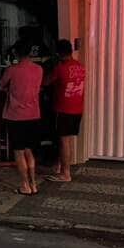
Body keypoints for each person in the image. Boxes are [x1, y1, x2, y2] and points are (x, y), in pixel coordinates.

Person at [0, 39, 43, 195]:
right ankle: (34, 183)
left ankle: (25, 185)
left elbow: (1, 85)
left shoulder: (12, 70)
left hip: (16, 116)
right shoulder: (38, 70)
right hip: (33, 115)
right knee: (29, 150)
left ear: (16, 52)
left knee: (18, 151)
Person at [44, 39, 86, 182]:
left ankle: (65, 173)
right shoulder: (80, 67)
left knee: (64, 141)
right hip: (77, 108)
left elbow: (46, 81)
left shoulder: (60, 68)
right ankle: (59, 166)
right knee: (66, 140)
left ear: (58, 53)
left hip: (63, 109)